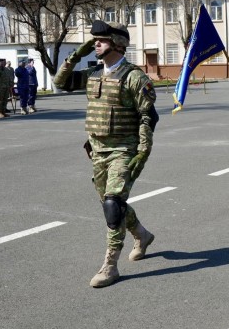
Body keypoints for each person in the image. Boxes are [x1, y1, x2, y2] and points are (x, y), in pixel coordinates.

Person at [53, 21, 157, 288]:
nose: (95, 44)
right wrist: (77, 54)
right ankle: (142, 235)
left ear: (117, 44)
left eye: (100, 40)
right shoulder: (93, 74)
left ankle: (110, 265)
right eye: (94, 40)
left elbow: (148, 117)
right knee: (110, 204)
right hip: (98, 150)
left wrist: (143, 151)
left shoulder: (134, 77)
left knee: (113, 204)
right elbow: (59, 82)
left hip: (124, 150)